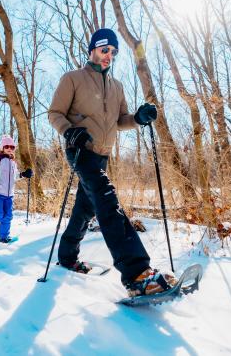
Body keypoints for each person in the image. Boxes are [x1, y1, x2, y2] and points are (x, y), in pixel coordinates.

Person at [48, 28, 175, 297]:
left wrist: (139, 118)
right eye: (105, 50)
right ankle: (136, 273)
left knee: (85, 208)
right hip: (80, 151)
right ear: (93, 49)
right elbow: (55, 113)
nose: (109, 56)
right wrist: (69, 131)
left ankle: (67, 256)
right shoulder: (72, 79)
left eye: (113, 52)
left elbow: (121, 120)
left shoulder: (116, 86)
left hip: (103, 154)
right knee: (107, 201)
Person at [0, 135, 33, 243]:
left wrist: (24, 174)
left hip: (9, 195)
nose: (9, 148)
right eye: (7, 146)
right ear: (2, 148)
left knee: (8, 216)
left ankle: (4, 237)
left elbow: (15, 176)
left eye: (12, 147)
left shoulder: (13, 163)